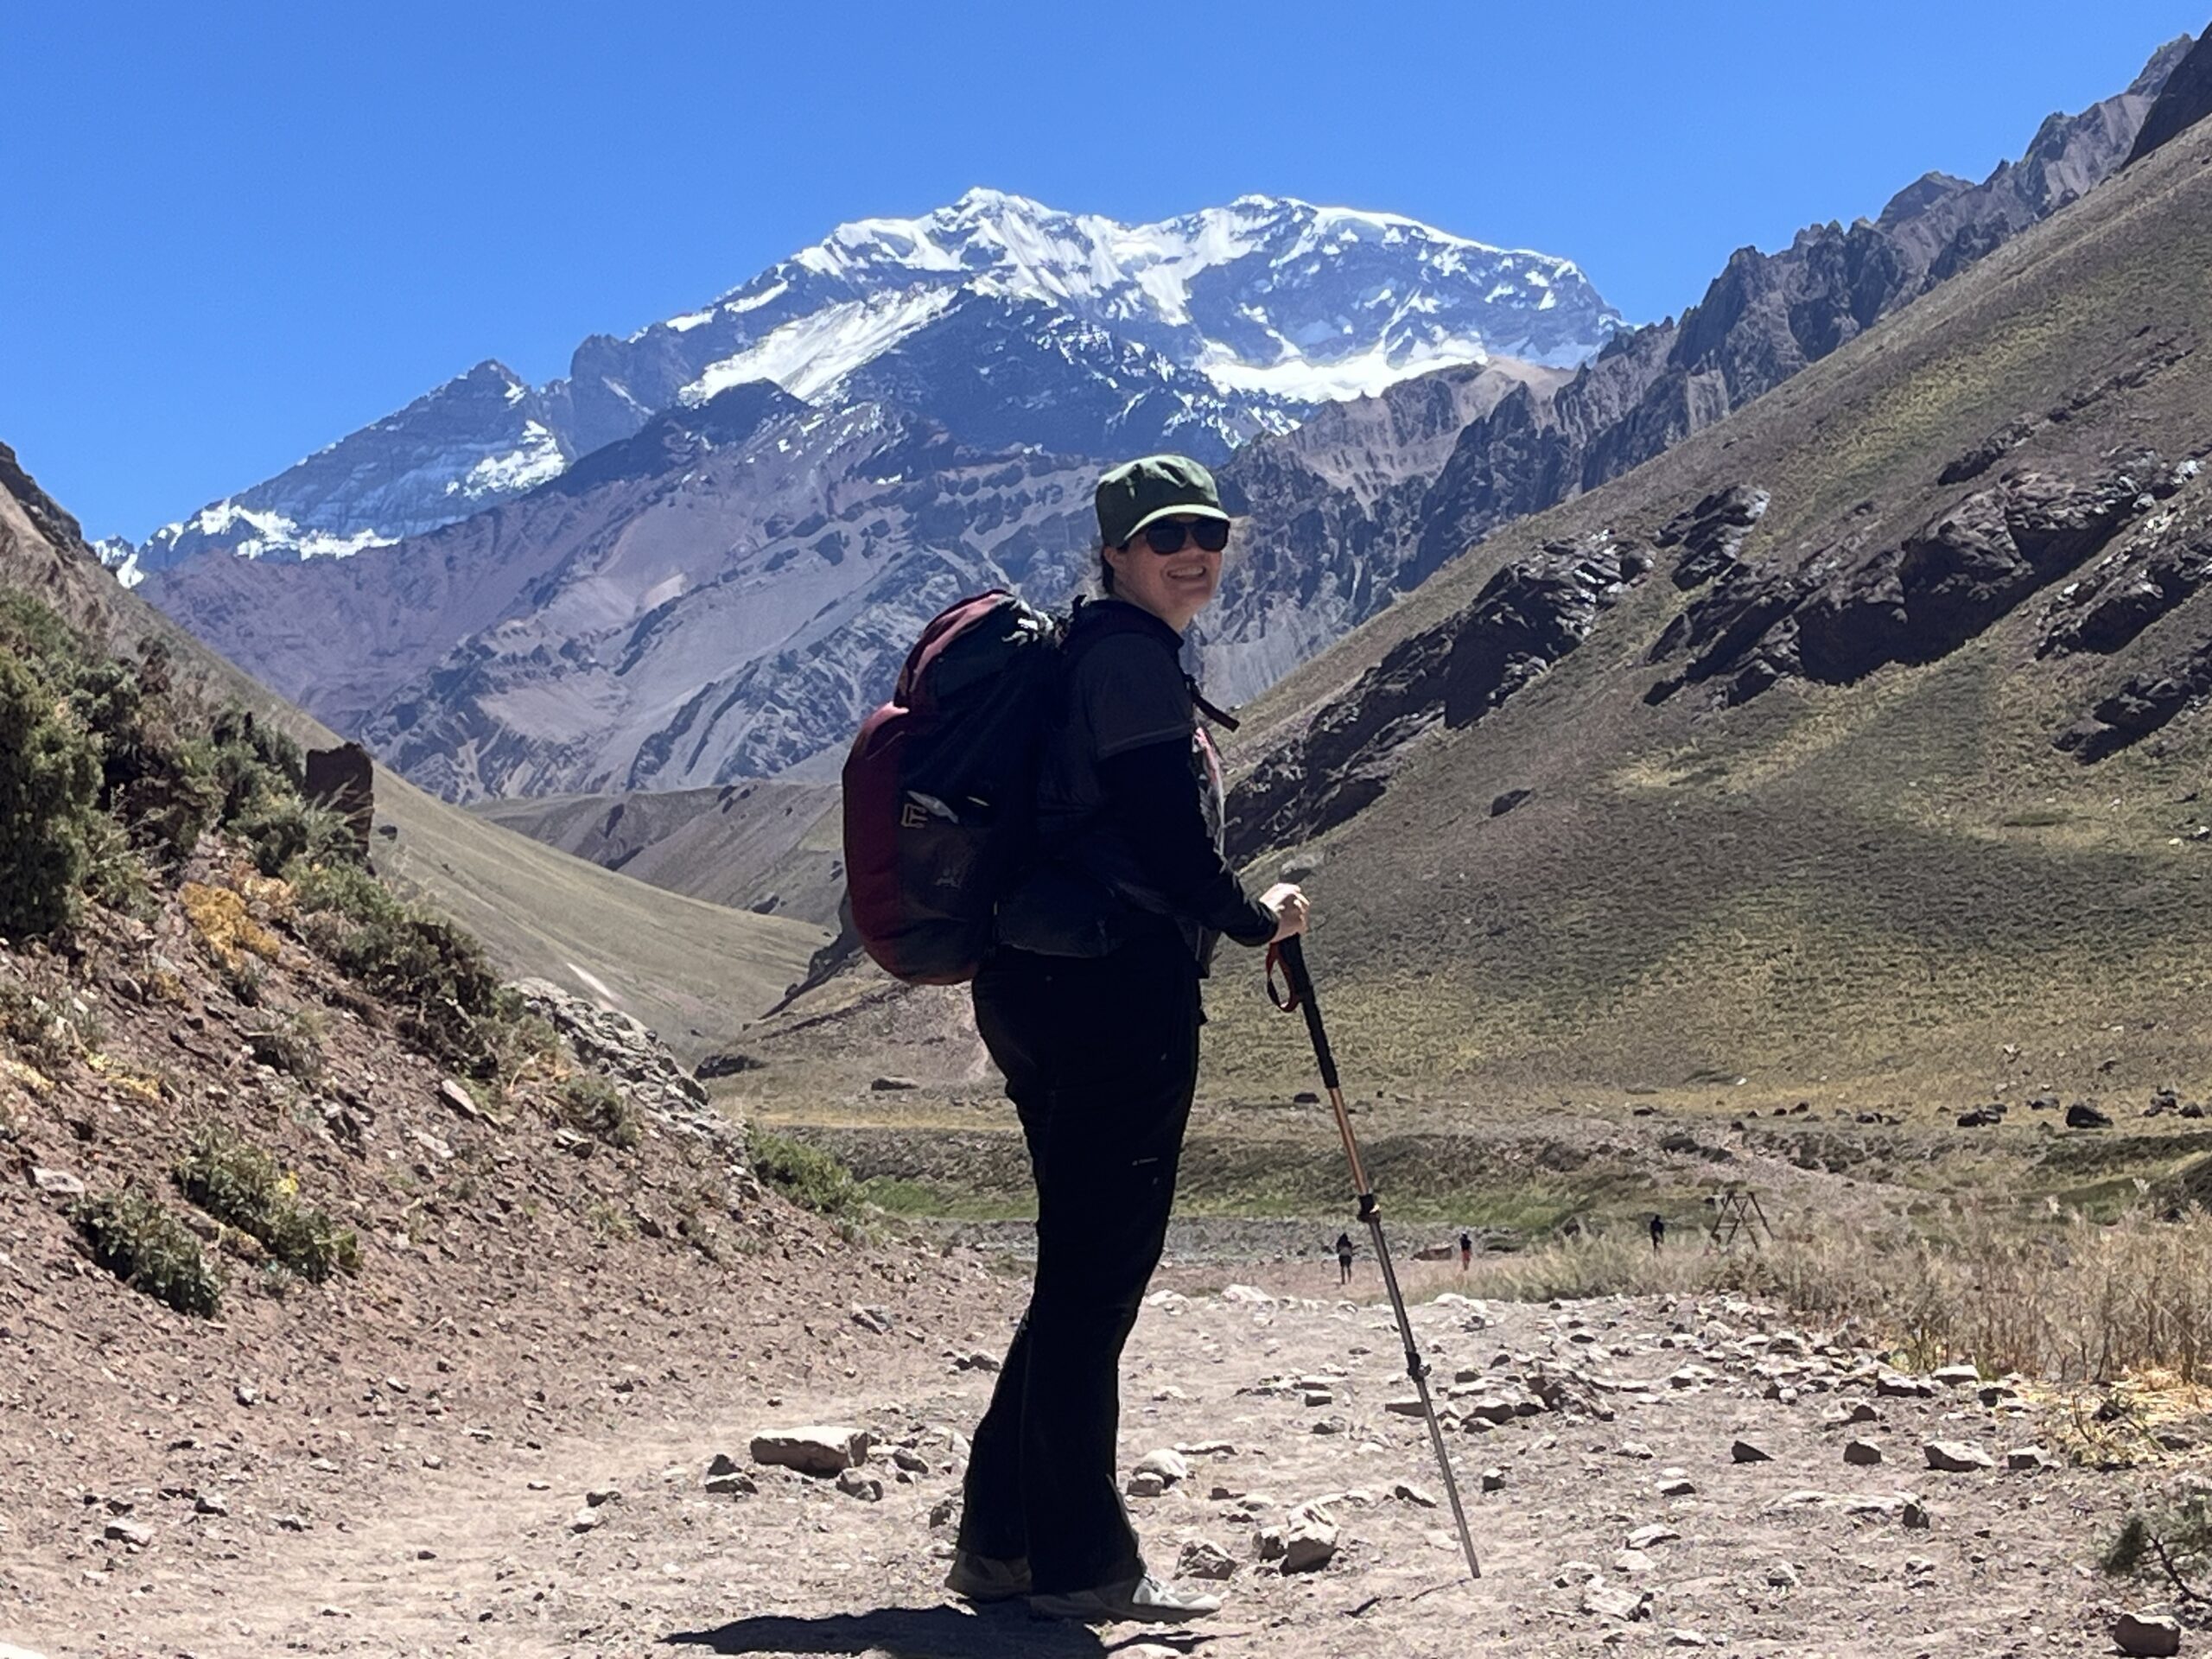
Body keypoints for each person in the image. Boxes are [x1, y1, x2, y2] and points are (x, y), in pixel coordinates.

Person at [946, 454, 1310, 1625]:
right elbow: (1165, 840)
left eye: (1207, 529)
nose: (1192, 551)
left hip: (1041, 982)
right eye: (1165, 537)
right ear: (1113, 551)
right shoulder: (1130, 666)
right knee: (1099, 1278)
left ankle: (1002, 1545)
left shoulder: (1091, 650)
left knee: (1077, 1270)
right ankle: (1080, 1564)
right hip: (1111, 993)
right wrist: (1257, 919)